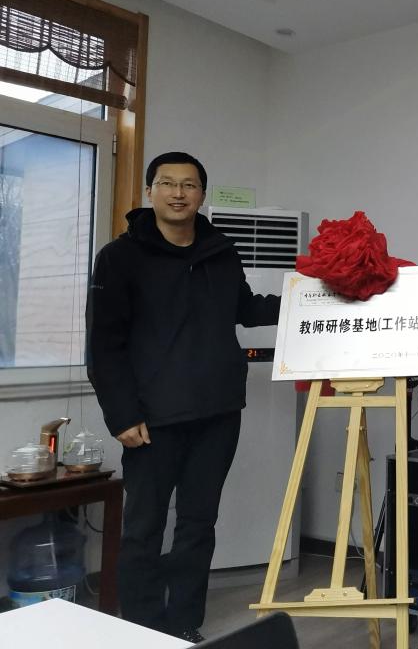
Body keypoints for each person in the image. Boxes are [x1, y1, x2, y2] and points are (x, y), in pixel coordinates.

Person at [86, 152, 280, 642]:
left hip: (218, 411)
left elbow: (246, 308)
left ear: (201, 194)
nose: (178, 193)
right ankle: (142, 628)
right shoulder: (120, 257)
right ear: (149, 191)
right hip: (151, 418)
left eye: (189, 185)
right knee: (143, 528)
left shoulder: (220, 250)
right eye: (167, 183)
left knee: (198, 524)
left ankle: (183, 623)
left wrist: (319, 296)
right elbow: (104, 345)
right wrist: (121, 414)